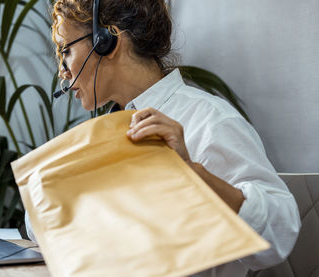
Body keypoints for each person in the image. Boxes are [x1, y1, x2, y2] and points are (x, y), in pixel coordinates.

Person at [25, 0, 301, 276]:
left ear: (106, 41)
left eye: (66, 50)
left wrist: (192, 172)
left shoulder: (209, 120)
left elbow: (279, 236)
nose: (62, 70)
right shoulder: (101, 132)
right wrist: (50, 189)